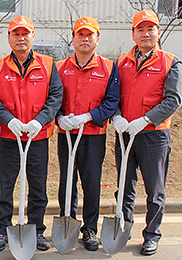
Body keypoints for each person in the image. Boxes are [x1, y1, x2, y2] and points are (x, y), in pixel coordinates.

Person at [111, 10, 182, 256]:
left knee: (155, 190)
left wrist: (146, 119)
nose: (145, 33)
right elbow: (113, 96)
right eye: (140, 29)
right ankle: (123, 227)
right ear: (133, 34)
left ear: (158, 32)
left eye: (150, 29)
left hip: (154, 136)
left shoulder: (171, 62)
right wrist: (117, 116)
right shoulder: (121, 62)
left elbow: (174, 100)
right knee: (124, 185)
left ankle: (152, 235)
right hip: (125, 134)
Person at [0, 15, 63, 252]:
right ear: (9, 38)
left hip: (37, 138)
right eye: (16, 34)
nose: (21, 38)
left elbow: (55, 97)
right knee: (5, 185)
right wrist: (9, 121)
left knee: (38, 186)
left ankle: (37, 229)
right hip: (9, 137)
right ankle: (1, 230)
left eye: (25, 33)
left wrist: (40, 122)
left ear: (33, 36)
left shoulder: (48, 65)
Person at [55, 16, 119, 251]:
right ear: (73, 39)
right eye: (80, 34)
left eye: (89, 35)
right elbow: (52, 98)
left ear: (97, 39)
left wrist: (88, 116)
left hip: (93, 133)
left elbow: (112, 101)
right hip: (67, 132)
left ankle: (90, 228)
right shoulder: (60, 67)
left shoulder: (109, 67)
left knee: (91, 182)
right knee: (67, 181)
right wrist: (59, 116)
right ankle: (67, 222)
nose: (85, 38)